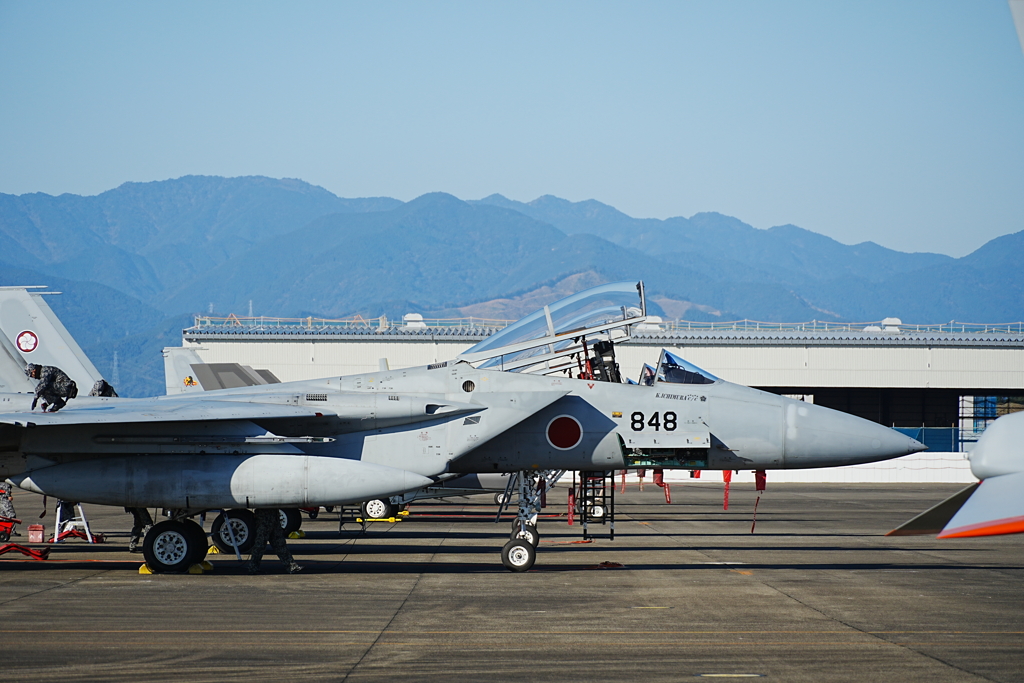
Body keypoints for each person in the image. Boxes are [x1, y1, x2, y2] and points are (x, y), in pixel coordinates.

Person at [245, 508, 302, 574]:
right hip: (265, 518)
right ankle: (253, 567)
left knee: (279, 543)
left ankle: (291, 566)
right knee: (260, 544)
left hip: (274, 517)